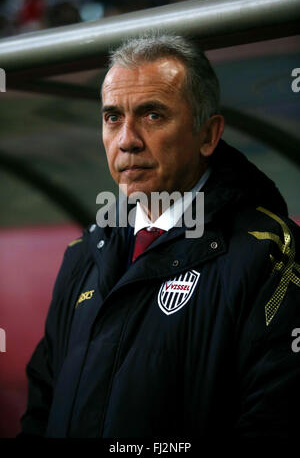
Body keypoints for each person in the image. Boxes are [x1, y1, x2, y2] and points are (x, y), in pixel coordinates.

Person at [19, 33, 300, 438]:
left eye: (153, 115)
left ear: (208, 135)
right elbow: (41, 409)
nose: (127, 140)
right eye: (113, 117)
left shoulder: (271, 256)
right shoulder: (83, 254)